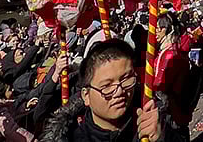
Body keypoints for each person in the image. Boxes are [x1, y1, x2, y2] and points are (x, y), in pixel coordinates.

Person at [42, 39, 182, 142]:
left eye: (126, 79)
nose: (119, 91)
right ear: (86, 96)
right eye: (106, 86)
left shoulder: (155, 118)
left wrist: (163, 138)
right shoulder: (69, 137)